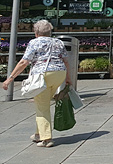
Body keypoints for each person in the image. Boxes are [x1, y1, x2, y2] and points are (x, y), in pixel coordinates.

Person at [2, 20, 71, 148]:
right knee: (43, 103)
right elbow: (66, 61)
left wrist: (10, 78)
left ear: (36, 32)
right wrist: (68, 79)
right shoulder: (58, 42)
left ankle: (46, 138)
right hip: (59, 74)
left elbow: (24, 62)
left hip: (42, 76)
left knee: (42, 106)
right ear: (50, 31)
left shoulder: (34, 42)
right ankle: (38, 134)